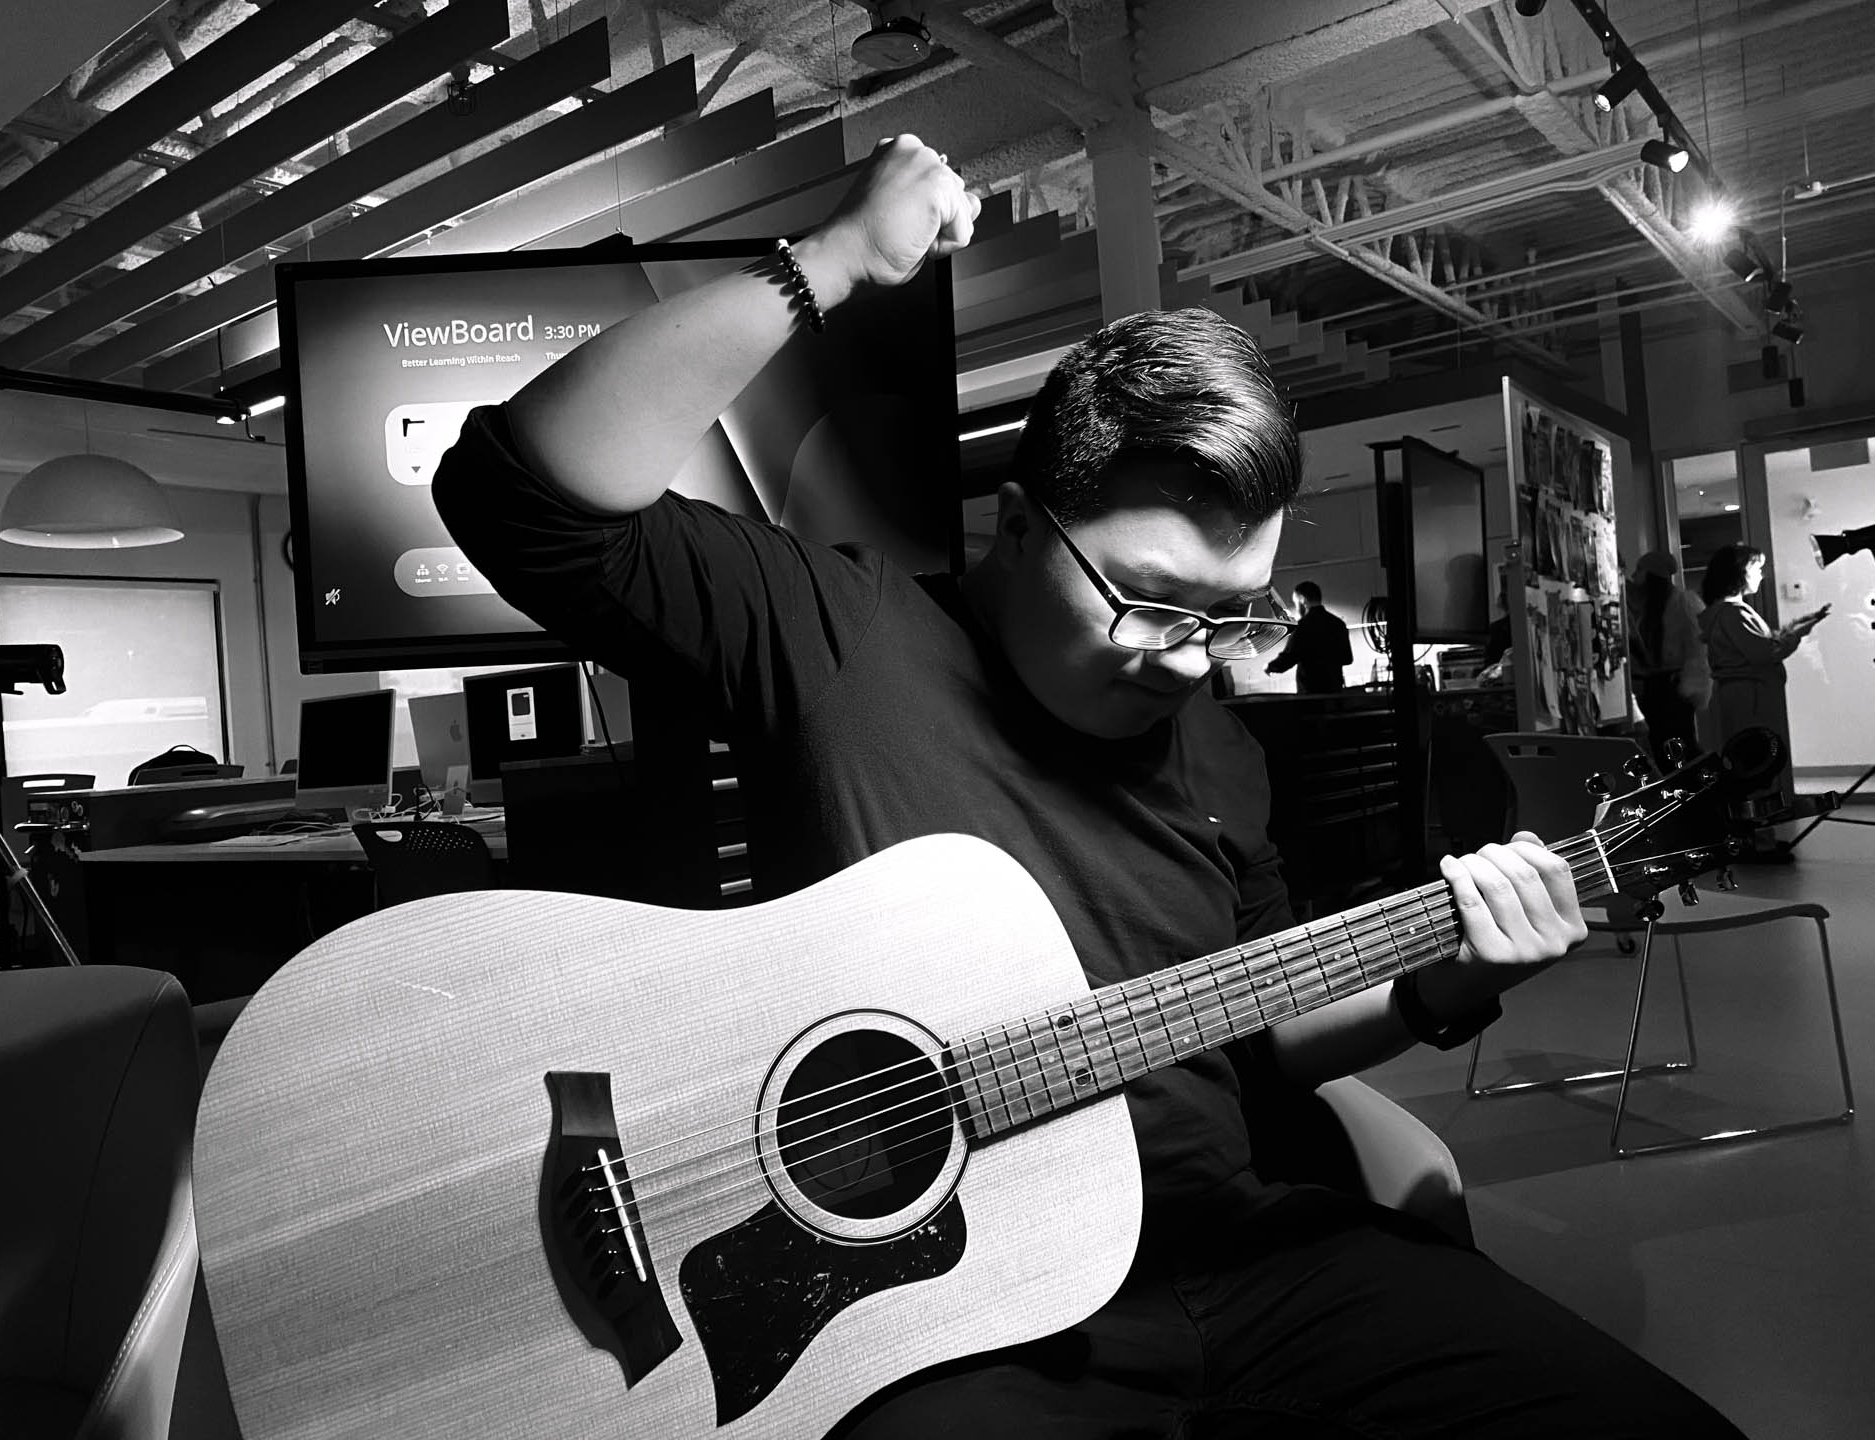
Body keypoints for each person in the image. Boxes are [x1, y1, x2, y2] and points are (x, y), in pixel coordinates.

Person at [434, 135, 1743, 1438]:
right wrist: (826, 264)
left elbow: (1264, 1038)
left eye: (1233, 614)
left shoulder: (1221, 750)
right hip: (936, 1325)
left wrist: (1442, 985)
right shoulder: (838, 634)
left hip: (1233, 1256)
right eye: (1151, 601)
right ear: (1018, 526)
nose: (1189, 658)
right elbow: (517, 495)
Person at [1699, 543, 1828, 859]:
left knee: (1748, 766)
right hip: (1751, 698)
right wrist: (1795, 635)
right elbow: (1764, 651)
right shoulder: (1733, 613)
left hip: (1743, 695)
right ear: (1738, 573)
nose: (1761, 575)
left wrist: (1796, 627)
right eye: (1756, 568)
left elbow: (1760, 644)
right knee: (1758, 766)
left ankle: (1755, 840)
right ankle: (1757, 843)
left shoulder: (1725, 612)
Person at [1625, 550, 1704, 765]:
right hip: (1654, 688)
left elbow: (1698, 650)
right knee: (1661, 749)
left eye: (1640, 570)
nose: (1635, 575)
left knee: (1678, 748)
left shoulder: (1684, 602)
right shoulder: (1648, 606)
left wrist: (1689, 689)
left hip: (1673, 687)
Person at [1263, 580, 1352, 692]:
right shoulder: (1338, 624)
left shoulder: (1302, 627)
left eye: (1296, 603)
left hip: (1311, 694)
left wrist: (1269, 667)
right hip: (1335, 692)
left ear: (1302, 600)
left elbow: (1288, 658)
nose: (1297, 608)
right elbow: (1347, 658)